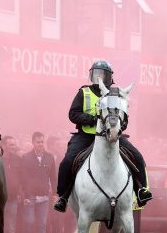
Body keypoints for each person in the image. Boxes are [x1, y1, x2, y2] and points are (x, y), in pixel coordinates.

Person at [53, 60, 152, 213]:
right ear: (91, 75)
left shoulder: (115, 93)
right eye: (95, 74)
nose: (98, 77)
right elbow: (73, 114)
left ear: (109, 77)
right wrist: (93, 119)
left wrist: (118, 127)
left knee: (137, 156)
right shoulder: (84, 92)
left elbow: (123, 117)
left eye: (102, 74)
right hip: (86, 136)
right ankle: (63, 197)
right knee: (67, 161)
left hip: (110, 136)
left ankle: (141, 191)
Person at [20, 131, 57, 233]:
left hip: (45, 196)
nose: (40, 144)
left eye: (42, 142)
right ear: (33, 143)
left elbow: (53, 178)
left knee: (42, 224)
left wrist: (55, 193)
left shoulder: (50, 157)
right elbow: (22, 178)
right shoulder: (25, 158)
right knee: (29, 222)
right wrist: (24, 195)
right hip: (30, 195)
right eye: (38, 142)